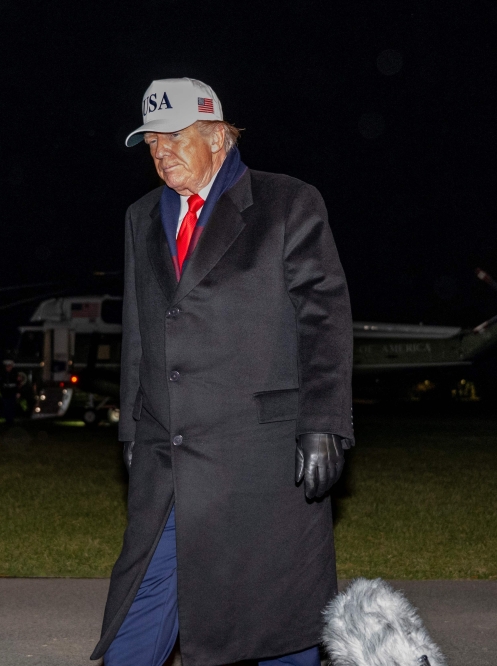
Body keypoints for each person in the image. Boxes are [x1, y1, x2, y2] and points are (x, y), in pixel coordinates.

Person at [91, 78, 354, 666]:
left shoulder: (287, 204)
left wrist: (324, 422)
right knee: (140, 611)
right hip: (169, 453)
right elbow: (139, 330)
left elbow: (325, 320)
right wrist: (132, 430)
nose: (160, 153)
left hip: (261, 456)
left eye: (174, 137)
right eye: (151, 142)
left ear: (218, 135)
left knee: (279, 621)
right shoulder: (141, 218)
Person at [0, 358, 20, 426]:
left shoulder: (15, 373)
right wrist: (1, 391)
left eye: (10, 366)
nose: (8, 367)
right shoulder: (2, 373)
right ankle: (7, 420)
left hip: (12, 391)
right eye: (7, 366)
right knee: (6, 406)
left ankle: (11, 420)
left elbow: (18, 383)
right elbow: (0, 383)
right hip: (5, 392)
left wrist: (18, 392)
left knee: (12, 406)